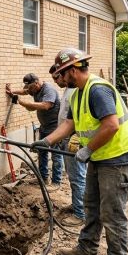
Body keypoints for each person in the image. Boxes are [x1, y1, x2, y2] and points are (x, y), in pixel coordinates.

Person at [33, 48, 128, 255]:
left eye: (62, 73)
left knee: (112, 214)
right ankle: (88, 249)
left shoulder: (97, 90)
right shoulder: (78, 93)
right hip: (101, 157)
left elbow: (111, 126)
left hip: (119, 158)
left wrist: (87, 149)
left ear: (73, 70)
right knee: (91, 205)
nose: (60, 79)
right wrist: (47, 141)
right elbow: (70, 123)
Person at [6, 73, 63, 187]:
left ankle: (56, 182)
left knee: (56, 154)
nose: (29, 90)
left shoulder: (49, 90)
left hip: (54, 127)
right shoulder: (34, 89)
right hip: (44, 126)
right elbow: (25, 92)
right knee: (42, 152)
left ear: (36, 83)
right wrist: (13, 92)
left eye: (30, 87)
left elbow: (45, 106)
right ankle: (43, 178)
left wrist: (20, 102)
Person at [49, 64, 87, 227]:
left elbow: (78, 119)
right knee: (74, 176)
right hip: (66, 138)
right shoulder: (68, 90)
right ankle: (77, 205)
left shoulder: (75, 91)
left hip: (72, 141)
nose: (58, 81)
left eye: (58, 77)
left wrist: (76, 136)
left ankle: (80, 213)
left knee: (78, 176)